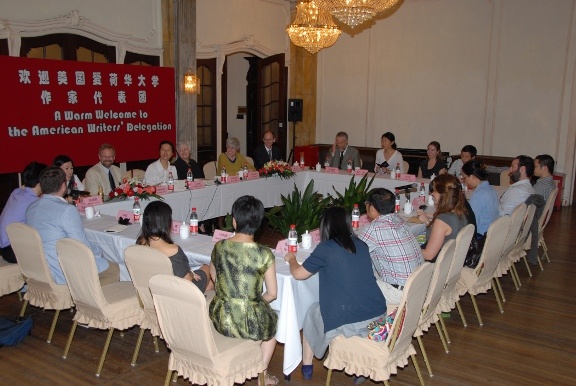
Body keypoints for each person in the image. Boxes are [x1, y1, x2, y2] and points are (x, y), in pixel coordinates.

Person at [284, 206, 386, 380]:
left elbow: (298, 274)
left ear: (325, 227)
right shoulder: (361, 244)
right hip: (378, 312)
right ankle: (359, 367)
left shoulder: (326, 248)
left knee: (311, 312)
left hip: (350, 318)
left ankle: (307, 365)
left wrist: (292, 259)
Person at [209, 196, 278, 385]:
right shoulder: (264, 253)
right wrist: (252, 304)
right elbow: (272, 293)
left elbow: (214, 275)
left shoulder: (219, 246)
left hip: (220, 316)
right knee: (271, 331)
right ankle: (262, 375)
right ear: (259, 224)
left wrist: (228, 293)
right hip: (248, 322)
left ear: (233, 220)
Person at [25, 167, 119, 285]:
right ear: (64, 186)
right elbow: (82, 245)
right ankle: (91, 301)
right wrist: (100, 251)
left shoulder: (31, 207)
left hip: (37, 268)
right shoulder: (67, 210)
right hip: (60, 269)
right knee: (113, 269)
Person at [359, 188, 424, 305]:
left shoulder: (374, 229)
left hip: (399, 294)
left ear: (372, 208)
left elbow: (352, 253)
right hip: (419, 287)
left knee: (353, 284)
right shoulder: (398, 219)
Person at [136, 201, 212, 292]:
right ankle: (199, 302)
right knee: (207, 268)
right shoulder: (173, 250)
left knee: (207, 283)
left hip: (155, 288)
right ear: (165, 223)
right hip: (178, 293)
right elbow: (187, 282)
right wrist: (191, 274)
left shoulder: (140, 242)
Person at [0, 162, 46, 263]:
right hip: (14, 250)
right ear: (41, 182)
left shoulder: (17, 192)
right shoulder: (34, 203)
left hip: (4, 247)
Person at [417, 174, 469, 262]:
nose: (432, 193)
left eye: (435, 191)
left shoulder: (443, 220)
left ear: (443, 194)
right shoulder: (460, 212)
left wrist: (409, 250)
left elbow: (428, 255)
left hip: (437, 265)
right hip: (452, 261)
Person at [461, 160, 499, 236]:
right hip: (492, 233)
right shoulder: (490, 189)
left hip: (481, 235)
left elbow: (469, 222)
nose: (464, 181)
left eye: (464, 178)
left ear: (472, 176)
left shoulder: (479, 195)